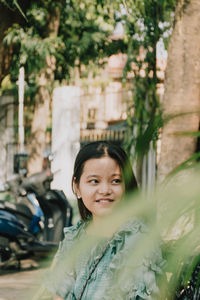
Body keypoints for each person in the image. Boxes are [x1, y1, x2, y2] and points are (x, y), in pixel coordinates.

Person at [38, 141, 164, 300]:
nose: (105, 190)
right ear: (77, 187)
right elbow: (59, 295)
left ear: (126, 186)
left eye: (116, 181)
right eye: (94, 181)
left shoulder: (139, 241)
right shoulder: (75, 238)